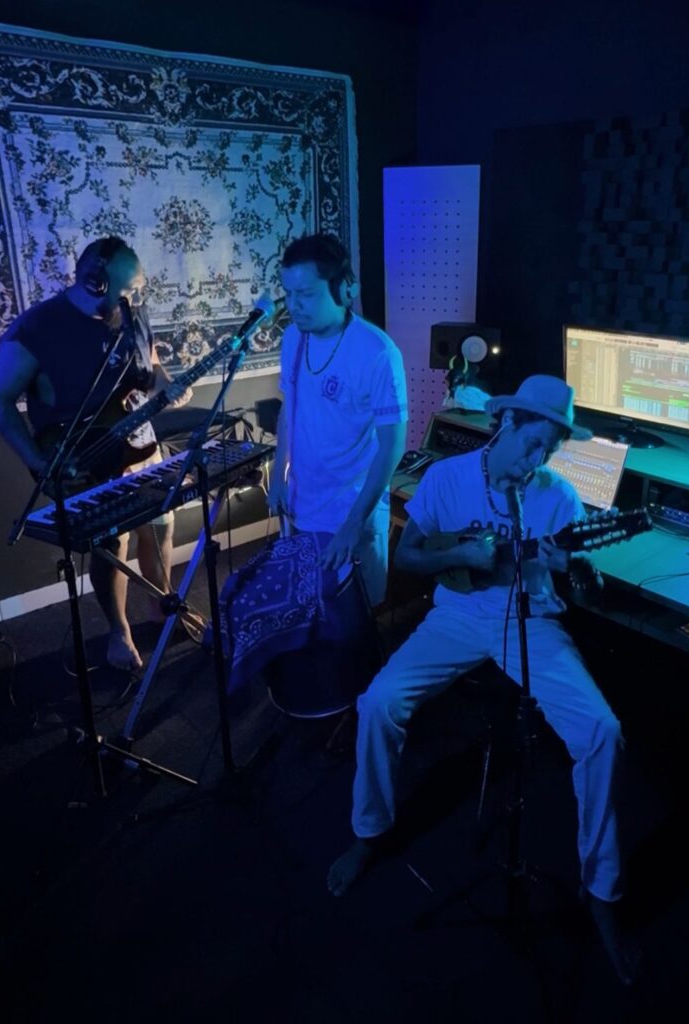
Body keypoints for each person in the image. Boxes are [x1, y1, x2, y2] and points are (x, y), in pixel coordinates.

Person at [327, 374, 637, 985]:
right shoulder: (447, 478)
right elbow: (411, 554)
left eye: (549, 450)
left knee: (603, 732)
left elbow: (582, 588)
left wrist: (578, 572)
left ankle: (602, 889)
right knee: (378, 702)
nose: (537, 459)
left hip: (532, 622)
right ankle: (369, 831)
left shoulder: (559, 497)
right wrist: (459, 557)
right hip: (459, 616)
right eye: (532, 443)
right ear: (508, 424)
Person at [0, 236, 191, 672]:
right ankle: (119, 632)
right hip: (85, 458)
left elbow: (151, 367)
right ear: (95, 282)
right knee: (110, 545)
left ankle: (162, 605)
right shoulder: (37, 328)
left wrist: (167, 386)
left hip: (141, 444)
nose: (135, 299)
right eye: (129, 289)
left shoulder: (133, 314)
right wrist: (37, 461)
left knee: (160, 527)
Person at [268, 234, 408, 606]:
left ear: (345, 289)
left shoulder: (378, 353)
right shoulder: (292, 338)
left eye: (306, 294)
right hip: (302, 503)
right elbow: (290, 408)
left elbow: (392, 445)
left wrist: (353, 524)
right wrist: (278, 472)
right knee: (312, 608)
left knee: (358, 615)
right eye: (288, 294)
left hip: (352, 511)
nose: (293, 306)